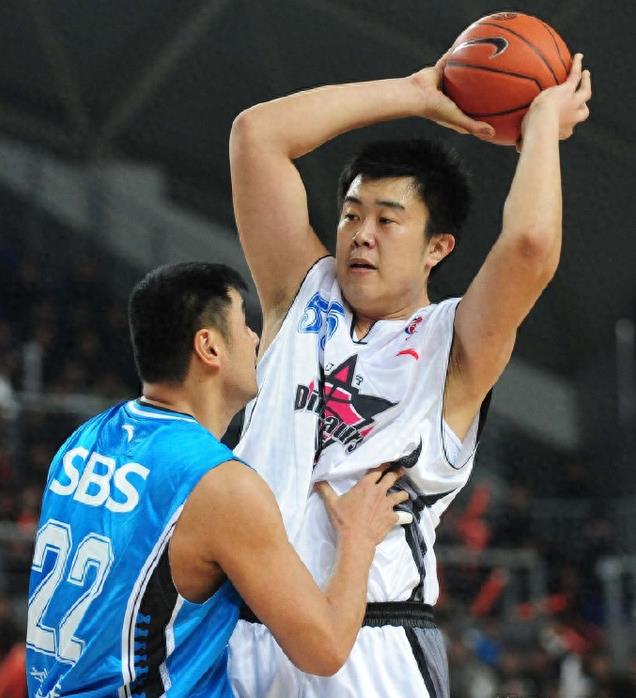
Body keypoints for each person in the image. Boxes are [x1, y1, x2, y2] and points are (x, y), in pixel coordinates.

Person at [227, 50, 591, 697]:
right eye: (351, 214)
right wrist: (417, 93)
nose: (362, 234)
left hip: (371, 644)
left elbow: (530, 246)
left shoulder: (456, 343)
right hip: (241, 633)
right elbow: (257, 135)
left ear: (437, 248)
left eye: (388, 220)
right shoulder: (300, 291)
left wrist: (539, 127)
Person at [25, 262, 410, 697]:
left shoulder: (81, 443)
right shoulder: (219, 485)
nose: (254, 337)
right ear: (209, 347)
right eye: (244, 322)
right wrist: (358, 540)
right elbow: (325, 649)